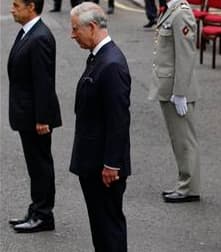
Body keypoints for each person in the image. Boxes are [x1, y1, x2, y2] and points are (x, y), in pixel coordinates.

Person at [70, 2, 131, 251]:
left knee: (108, 229)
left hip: (103, 167)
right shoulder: (100, 57)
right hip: (93, 162)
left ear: (92, 27)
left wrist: (111, 164)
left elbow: (118, 120)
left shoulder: (111, 64)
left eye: (76, 29)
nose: (72, 35)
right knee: (101, 227)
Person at [7, 0, 62, 233]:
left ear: (31, 7)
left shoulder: (39, 37)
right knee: (34, 164)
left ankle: (43, 215)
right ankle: (36, 208)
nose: (12, 9)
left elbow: (44, 82)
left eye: (17, 4)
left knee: (40, 165)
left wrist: (42, 118)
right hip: (26, 113)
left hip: (35, 117)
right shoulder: (28, 32)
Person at [149, 0, 201, 203]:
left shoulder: (181, 14)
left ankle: (189, 187)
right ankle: (184, 182)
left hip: (177, 88)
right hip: (169, 85)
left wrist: (180, 93)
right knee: (178, 139)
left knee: (184, 139)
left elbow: (186, 56)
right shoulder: (172, 11)